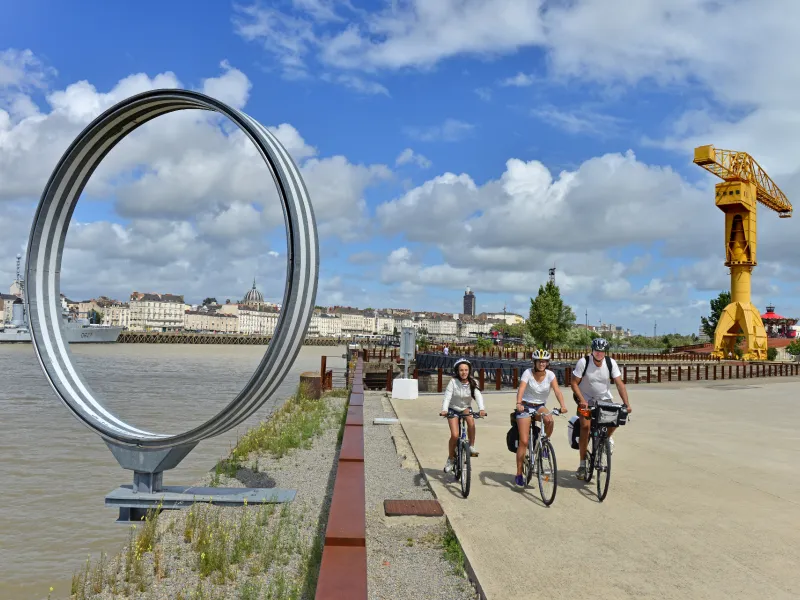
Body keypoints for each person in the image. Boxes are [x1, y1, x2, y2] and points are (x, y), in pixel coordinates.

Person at [570, 337, 632, 480]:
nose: (599, 353)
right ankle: (583, 464)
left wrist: (626, 403)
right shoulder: (583, 362)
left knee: (616, 419)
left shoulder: (611, 363)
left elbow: (619, 384)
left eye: (602, 351)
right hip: (585, 399)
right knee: (585, 427)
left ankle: (606, 439)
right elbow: (574, 383)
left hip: (604, 398)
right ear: (592, 351)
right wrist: (582, 400)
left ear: (605, 352)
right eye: (597, 351)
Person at [513, 349, 568, 487]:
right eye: (539, 361)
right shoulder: (528, 373)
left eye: (544, 361)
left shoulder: (550, 375)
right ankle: (519, 474)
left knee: (549, 419)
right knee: (524, 441)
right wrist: (519, 403)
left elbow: (557, 391)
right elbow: (521, 388)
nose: (542, 363)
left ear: (547, 363)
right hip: (525, 406)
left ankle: (543, 443)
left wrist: (563, 405)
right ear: (535, 362)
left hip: (539, 406)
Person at [440, 358, 486, 472]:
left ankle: (471, 446)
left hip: (465, 408)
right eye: (461, 370)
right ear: (457, 371)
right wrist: (445, 409)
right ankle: (450, 458)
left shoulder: (473, 382)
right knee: (455, 435)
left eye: (466, 370)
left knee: (471, 422)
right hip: (453, 408)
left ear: (469, 370)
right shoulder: (453, 382)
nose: (464, 372)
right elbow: (447, 397)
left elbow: (478, 395)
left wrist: (481, 409)